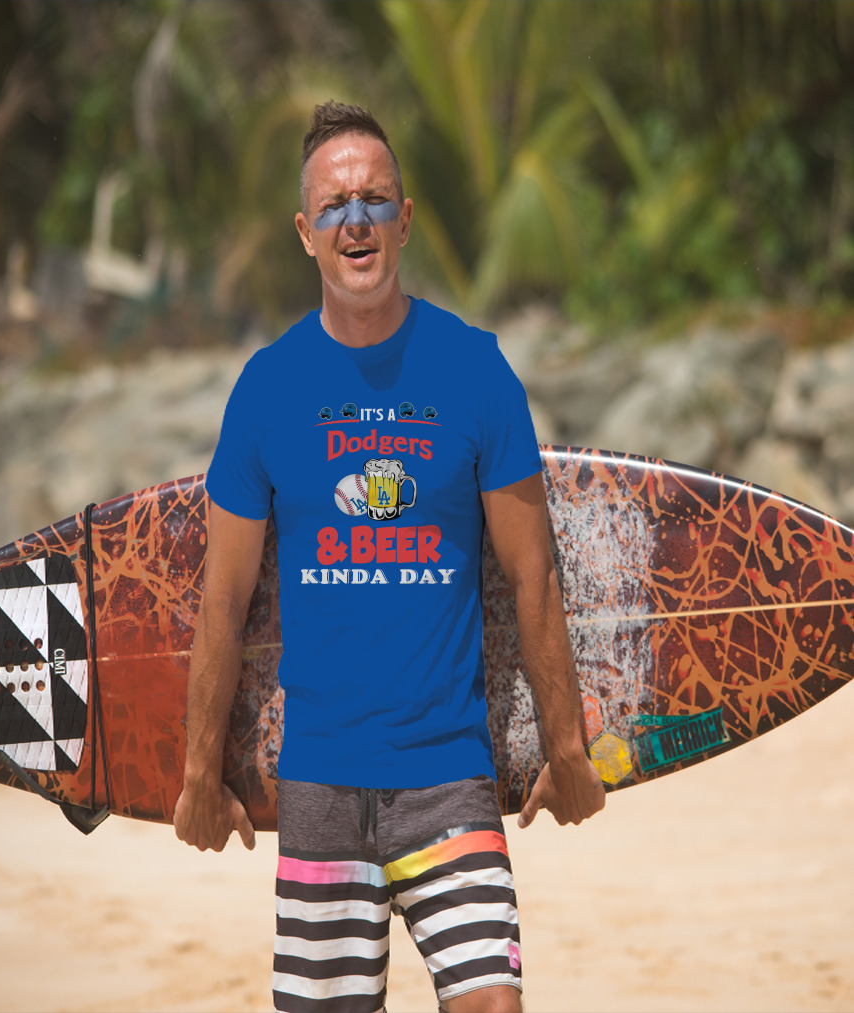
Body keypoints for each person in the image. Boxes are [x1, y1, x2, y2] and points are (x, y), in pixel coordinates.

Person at [174, 100, 605, 1013]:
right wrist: (196, 772)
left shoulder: (476, 371)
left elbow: (534, 575)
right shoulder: (267, 389)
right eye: (334, 206)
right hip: (321, 783)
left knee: (494, 1003)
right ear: (305, 232)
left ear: (405, 219)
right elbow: (223, 601)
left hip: (449, 775)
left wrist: (566, 746)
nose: (356, 220)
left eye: (375, 200)